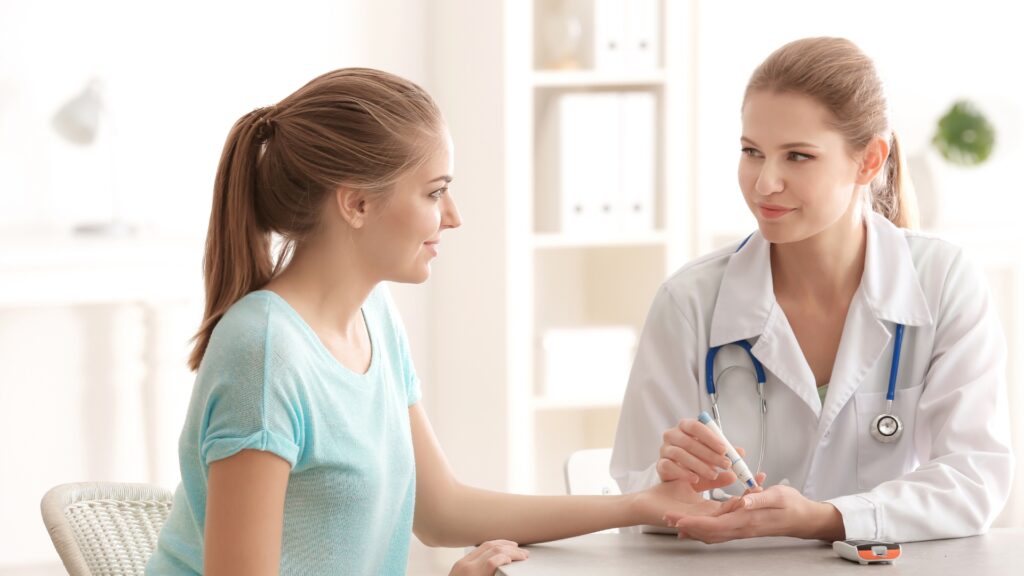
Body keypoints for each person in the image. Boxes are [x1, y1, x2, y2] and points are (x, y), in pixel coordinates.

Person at [146, 68, 717, 576]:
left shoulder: (373, 316)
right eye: (435, 192)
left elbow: (441, 511)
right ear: (356, 204)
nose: (454, 216)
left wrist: (640, 504)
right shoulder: (266, 351)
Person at [610, 37, 1014, 544]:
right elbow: (635, 486)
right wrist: (670, 482)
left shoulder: (944, 283)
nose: (764, 183)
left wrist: (827, 519)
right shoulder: (689, 302)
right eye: (751, 152)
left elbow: (973, 481)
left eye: (797, 157)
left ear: (869, 161)